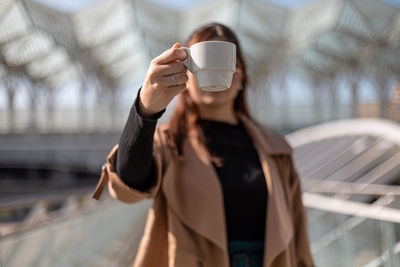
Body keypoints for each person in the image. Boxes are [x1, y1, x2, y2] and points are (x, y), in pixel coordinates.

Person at [91, 22, 314, 267]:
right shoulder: (168, 143)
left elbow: (298, 233)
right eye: (203, 62)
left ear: (239, 74)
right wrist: (145, 111)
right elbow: (128, 186)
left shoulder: (276, 149)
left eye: (226, 61)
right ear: (187, 71)